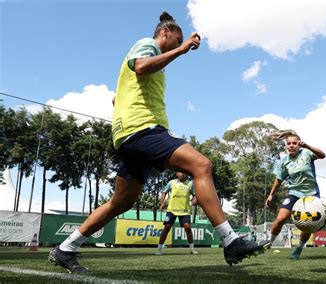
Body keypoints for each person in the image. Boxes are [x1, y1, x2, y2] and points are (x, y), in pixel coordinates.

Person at [48, 11, 270, 273]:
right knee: (202, 166)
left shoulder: (149, 61)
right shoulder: (147, 44)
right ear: (164, 33)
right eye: (176, 40)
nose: (178, 45)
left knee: (120, 203)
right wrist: (183, 49)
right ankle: (230, 240)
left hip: (127, 134)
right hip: (142, 129)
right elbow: (141, 67)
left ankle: (65, 249)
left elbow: (117, 97)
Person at [265, 130, 325, 260]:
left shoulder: (307, 153)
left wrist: (307, 146)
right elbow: (279, 179)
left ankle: (299, 249)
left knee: (307, 226)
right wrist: (271, 195)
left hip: (311, 195)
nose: (291, 145)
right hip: (294, 194)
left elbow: (323, 155)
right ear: (286, 146)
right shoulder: (284, 161)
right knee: (280, 219)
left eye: (294, 143)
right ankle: (269, 242)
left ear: (299, 144)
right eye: (289, 143)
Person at [156, 172, 198, 255]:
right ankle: (159, 249)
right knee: (167, 227)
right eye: (181, 172)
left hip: (184, 211)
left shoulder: (189, 183)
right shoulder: (171, 183)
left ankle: (192, 249)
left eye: (184, 173)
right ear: (177, 174)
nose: (183, 174)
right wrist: (162, 202)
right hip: (172, 210)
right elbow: (164, 192)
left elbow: (195, 194)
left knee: (187, 227)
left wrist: (194, 200)